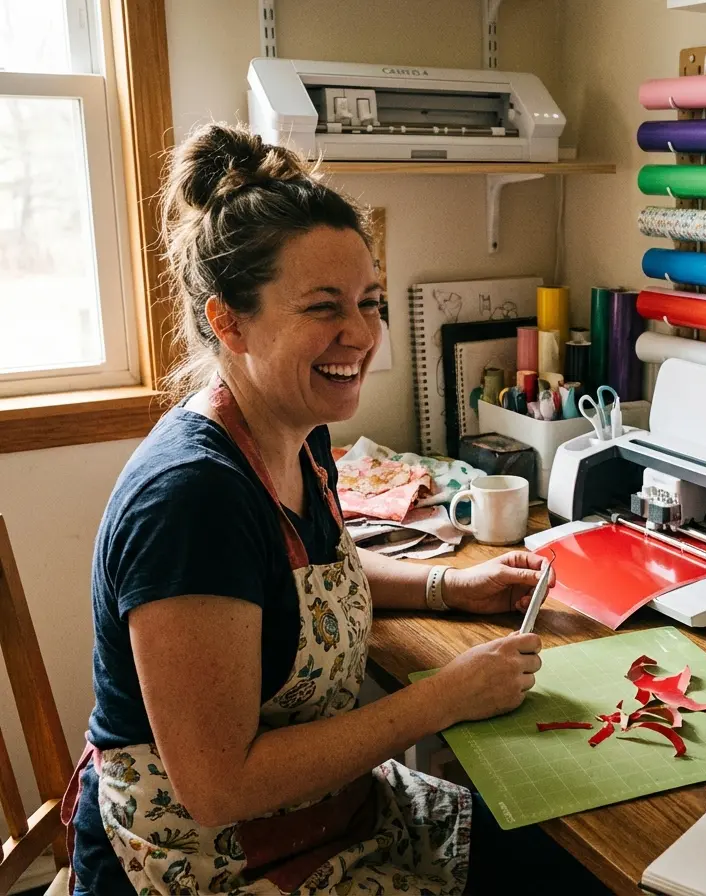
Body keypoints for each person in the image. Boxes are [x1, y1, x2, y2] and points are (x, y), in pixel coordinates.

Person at [64, 123, 590, 895]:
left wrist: (447, 589)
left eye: (370, 301)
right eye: (323, 307)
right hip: (203, 865)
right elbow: (218, 787)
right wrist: (441, 697)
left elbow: (310, 583)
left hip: (328, 817)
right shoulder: (192, 502)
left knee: (560, 852)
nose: (362, 333)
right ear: (228, 322)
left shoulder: (297, 436)